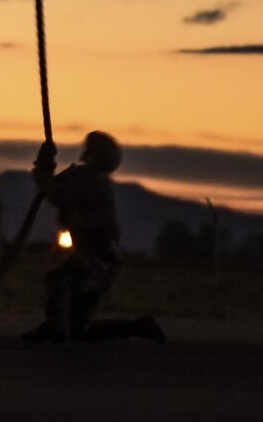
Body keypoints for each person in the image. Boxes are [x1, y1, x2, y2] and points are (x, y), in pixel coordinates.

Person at [24, 131, 165, 344]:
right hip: (99, 257)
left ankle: (55, 324)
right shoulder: (85, 177)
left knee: (58, 279)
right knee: (81, 331)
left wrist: (43, 174)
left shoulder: (95, 182)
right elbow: (56, 185)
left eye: (89, 150)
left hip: (99, 257)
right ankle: (139, 326)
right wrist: (45, 164)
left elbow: (58, 195)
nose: (85, 153)